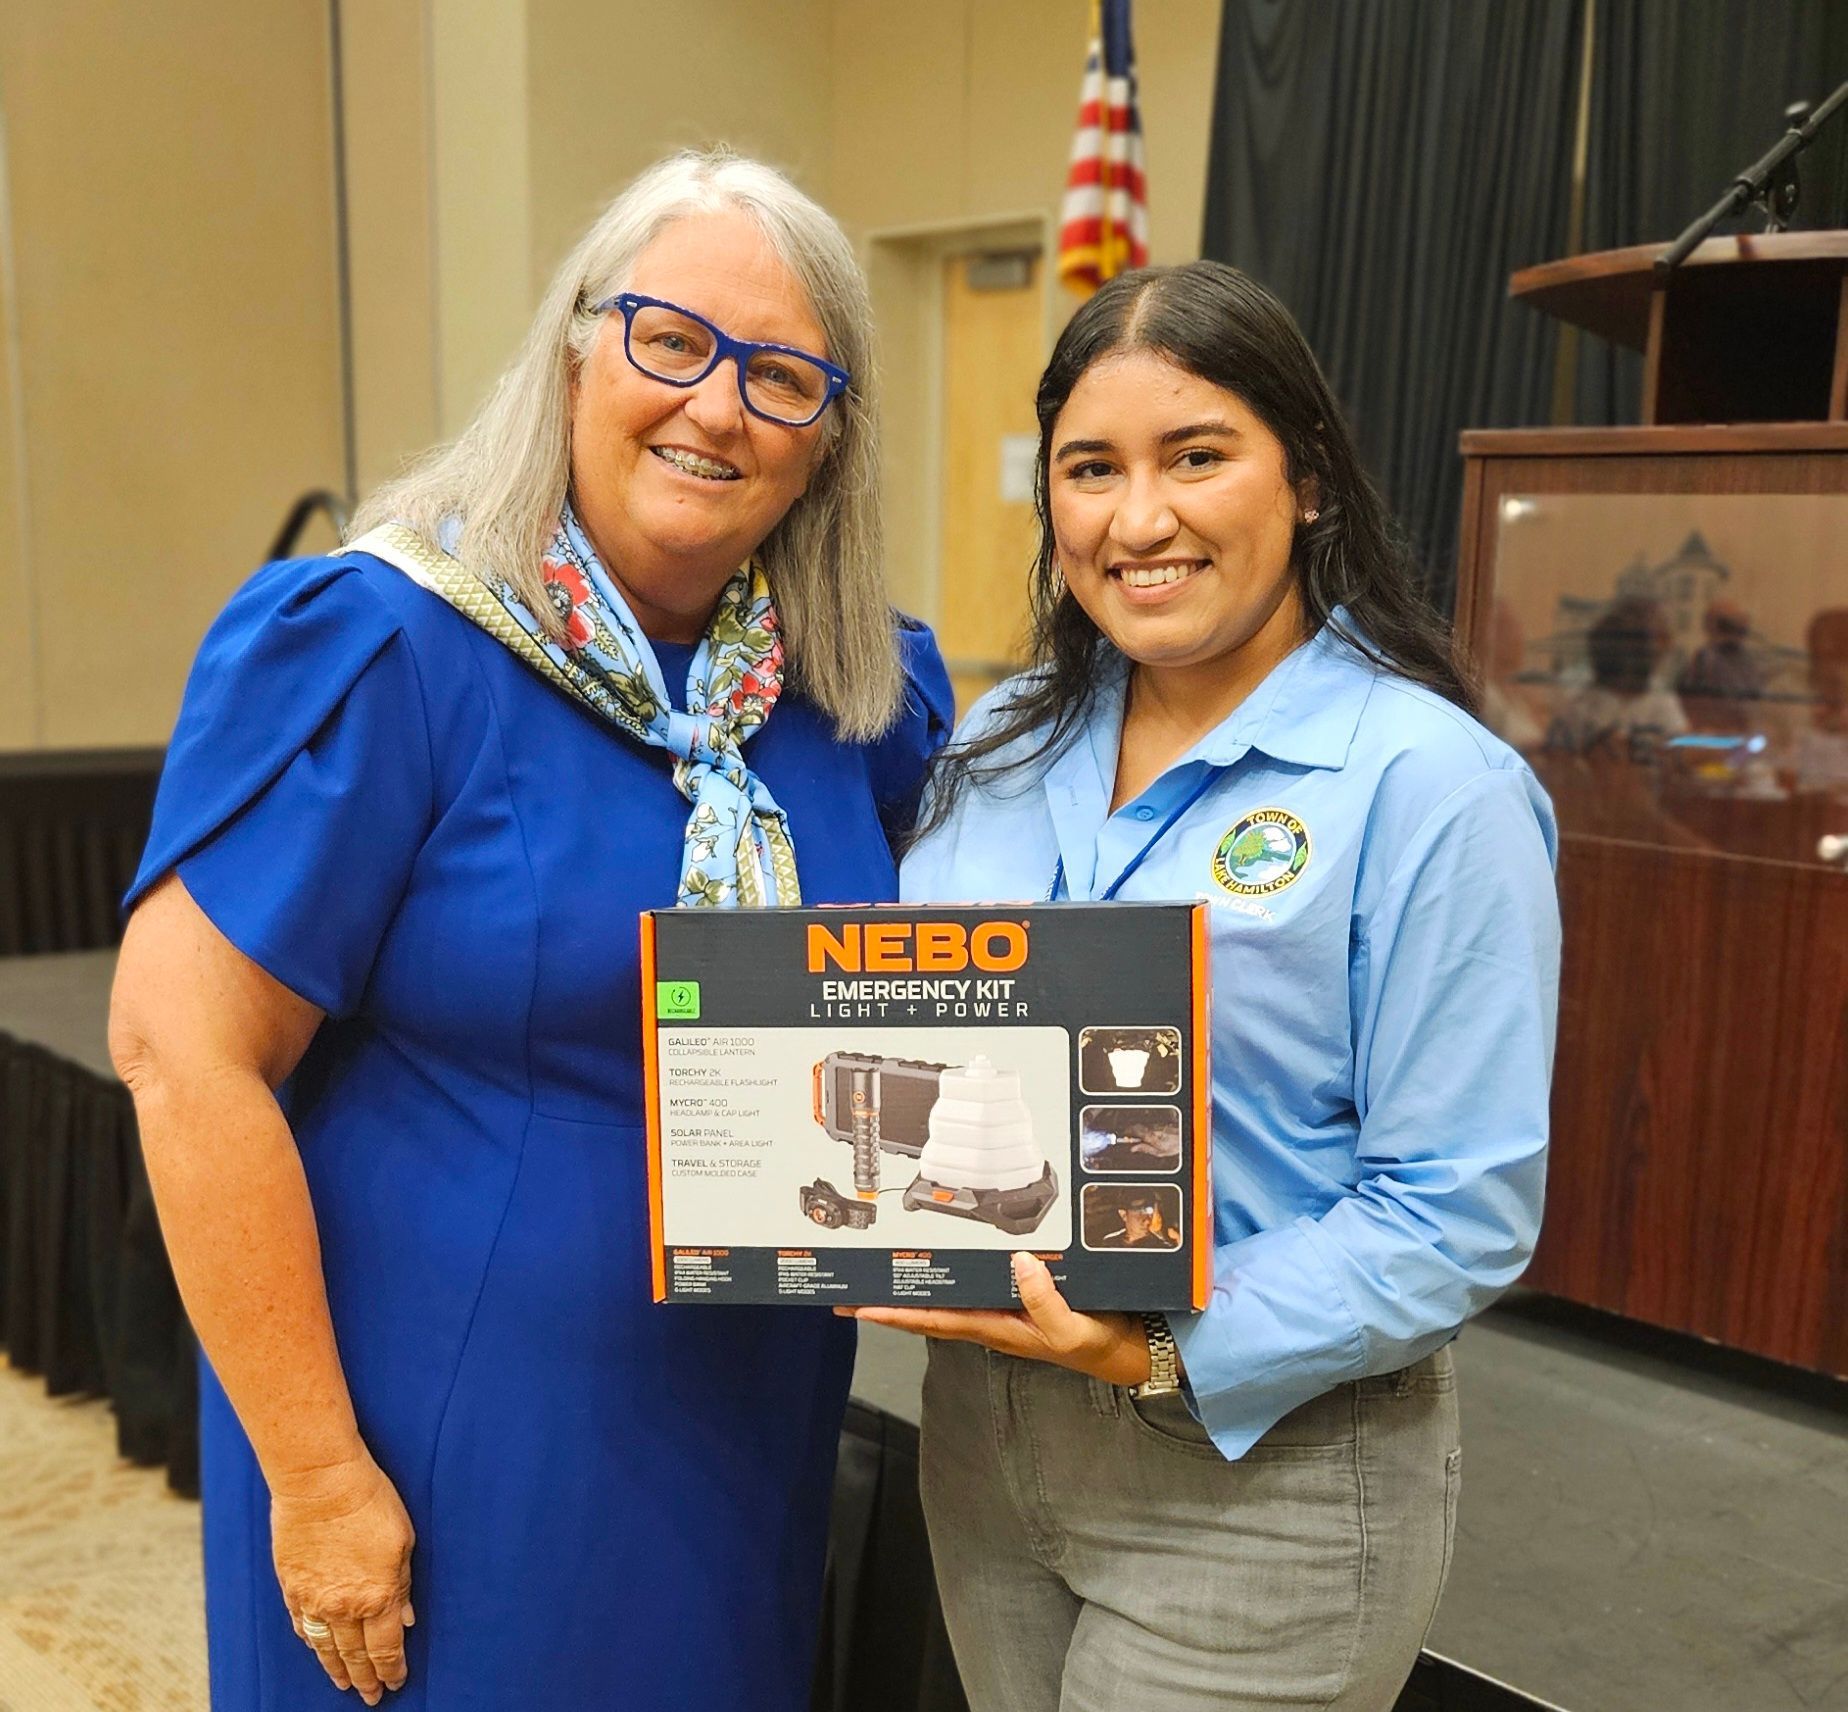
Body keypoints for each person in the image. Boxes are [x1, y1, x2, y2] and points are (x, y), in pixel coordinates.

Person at [107, 149, 950, 1712]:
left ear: (831, 438)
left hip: (734, 1423)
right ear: (575, 348)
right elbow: (180, 1055)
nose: (717, 406)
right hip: (427, 1433)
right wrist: (317, 1474)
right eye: (671, 340)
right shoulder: (381, 643)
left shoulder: (860, 699)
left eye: (782, 375)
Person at [855, 260, 1560, 1711]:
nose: (1140, 519)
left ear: (1305, 480)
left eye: (1197, 456)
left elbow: (1457, 1210)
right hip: (984, 1442)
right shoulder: (995, 748)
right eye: (1091, 469)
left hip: (1265, 1476)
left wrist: (1161, 1344)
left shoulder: (1431, 787)